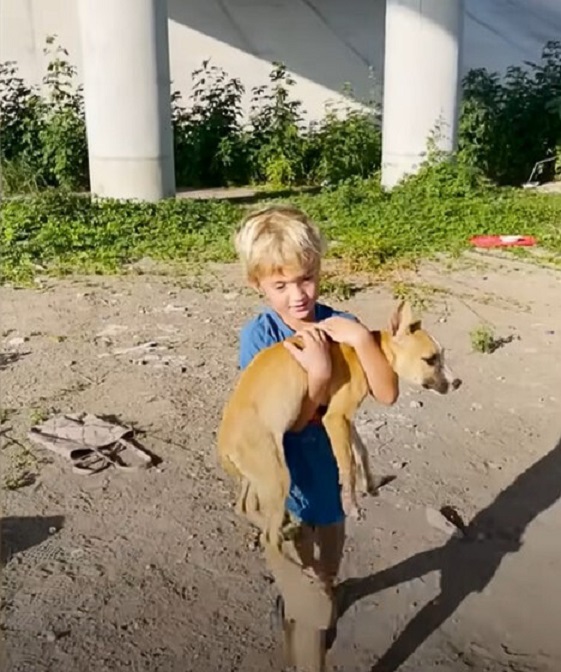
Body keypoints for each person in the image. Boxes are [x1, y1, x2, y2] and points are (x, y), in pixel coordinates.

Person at [234, 204, 398, 671]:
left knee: (327, 570)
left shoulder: (341, 325)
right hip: (286, 487)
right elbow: (281, 424)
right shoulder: (260, 337)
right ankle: (305, 631)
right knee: (309, 605)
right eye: (280, 285)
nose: (297, 296)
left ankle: (314, 605)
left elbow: (386, 393)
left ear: (319, 270)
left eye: (305, 279)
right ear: (258, 286)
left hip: (327, 485)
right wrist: (320, 378)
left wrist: (364, 340)